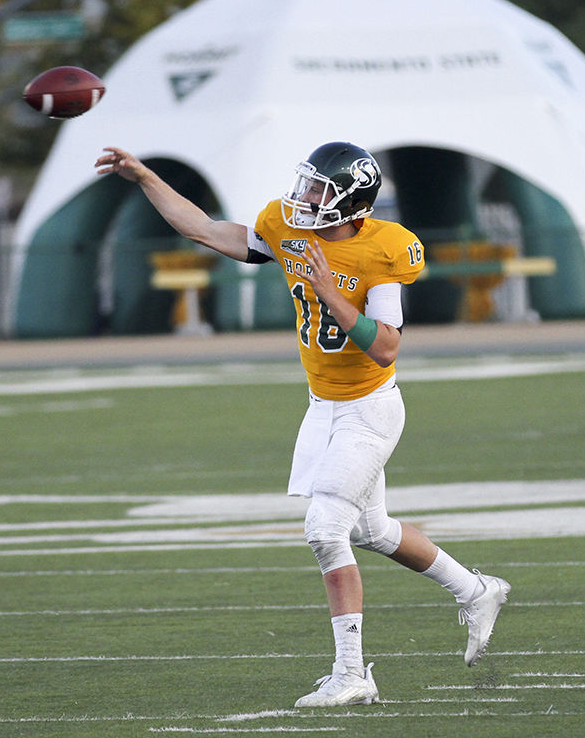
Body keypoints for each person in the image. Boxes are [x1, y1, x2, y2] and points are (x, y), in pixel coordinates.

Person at [95, 141, 510, 708]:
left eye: (320, 189)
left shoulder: (385, 249)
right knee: (371, 531)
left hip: (370, 406)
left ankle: (352, 672)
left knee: (324, 529)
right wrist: (144, 177)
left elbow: (386, 347)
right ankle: (477, 589)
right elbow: (205, 229)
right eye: (307, 184)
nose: (305, 197)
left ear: (354, 201)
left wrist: (331, 293)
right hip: (323, 406)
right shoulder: (287, 228)